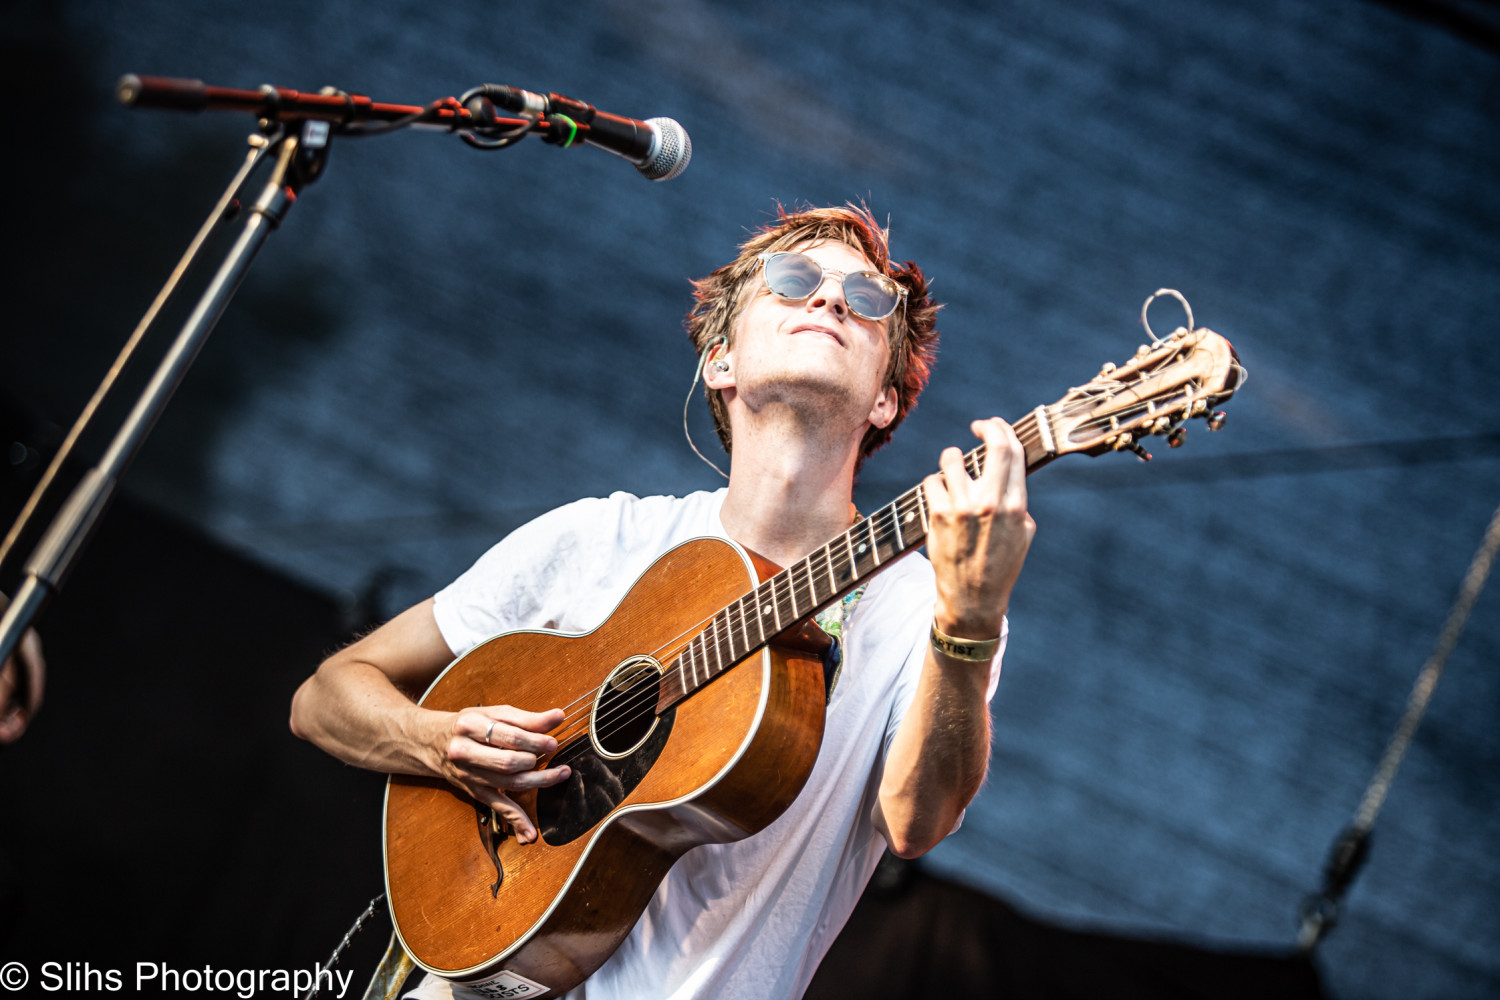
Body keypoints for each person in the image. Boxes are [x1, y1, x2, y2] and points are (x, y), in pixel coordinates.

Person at [289, 204, 1034, 1000]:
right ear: (721, 360)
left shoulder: (932, 600)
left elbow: (917, 823)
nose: (831, 300)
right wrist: (432, 739)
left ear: (884, 402)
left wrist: (971, 621)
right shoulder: (599, 538)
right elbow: (323, 697)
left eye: (868, 296)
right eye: (794, 281)